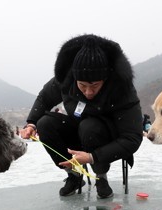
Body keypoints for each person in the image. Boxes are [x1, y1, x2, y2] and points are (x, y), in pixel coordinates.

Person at [20, 34, 143, 198]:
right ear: (75, 78)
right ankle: (74, 174)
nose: (88, 92)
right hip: (78, 131)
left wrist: (93, 157)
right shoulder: (66, 79)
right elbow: (44, 98)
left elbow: (132, 138)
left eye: (95, 85)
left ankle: (101, 177)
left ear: (105, 79)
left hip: (105, 138)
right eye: (82, 86)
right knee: (45, 124)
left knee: (89, 127)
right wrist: (31, 123)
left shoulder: (122, 89)